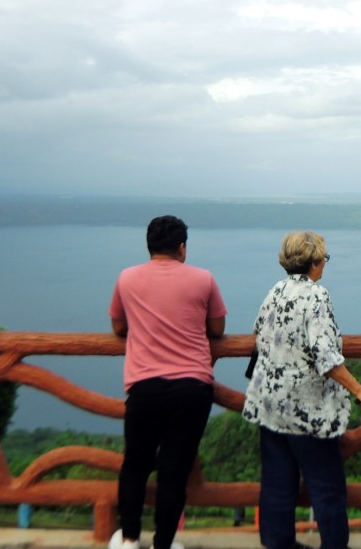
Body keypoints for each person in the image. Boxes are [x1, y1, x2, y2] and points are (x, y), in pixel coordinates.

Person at [243, 230, 361, 549]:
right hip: (308, 411)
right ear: (315, 262)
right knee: (326, 487)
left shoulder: (275, 290)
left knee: (277, 483)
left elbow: (259, 331)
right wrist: (360, 390)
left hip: (272, 404)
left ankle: (278, 544)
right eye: (323, 259)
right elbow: (326, 356)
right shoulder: (316, 295)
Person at [107, 215, 228, 549]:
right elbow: (217, 329)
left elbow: (118, 327)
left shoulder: (127, 278)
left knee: (135, 464)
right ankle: (164, 543)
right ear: (182, 247)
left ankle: (129, 538)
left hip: (144, 385)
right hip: (192, 387)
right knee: (175, 470)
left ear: (149, 246)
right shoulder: (203, 279)